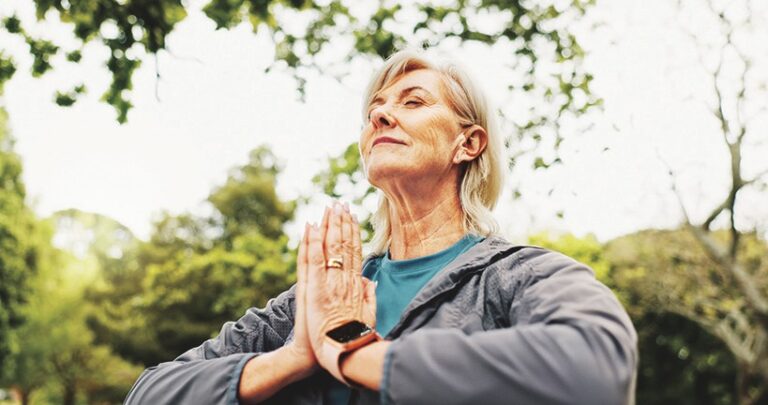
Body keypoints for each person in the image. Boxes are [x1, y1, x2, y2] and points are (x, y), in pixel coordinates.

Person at [124, 49, 638, 405]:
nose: (381, 117)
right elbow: (148, 393)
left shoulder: (517, 277)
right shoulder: (316, 301)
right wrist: (296, 356)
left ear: (469, 144)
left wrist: (355, 355)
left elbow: (594, 369)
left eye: (413, 102)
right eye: (375, 110)